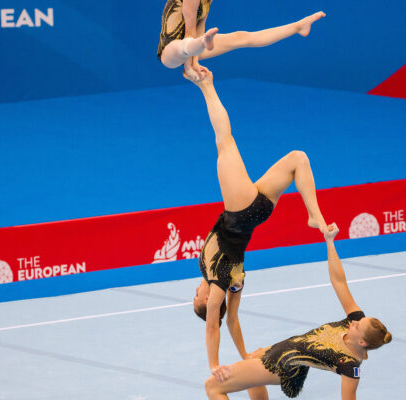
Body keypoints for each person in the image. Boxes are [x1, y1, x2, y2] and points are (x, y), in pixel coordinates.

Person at [189, 71, 330, 399]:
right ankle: (206, 84)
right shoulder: (219, 283)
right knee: (224, 139)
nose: (195, 292)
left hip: (255, 213)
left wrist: (245, 356)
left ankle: (314, 216)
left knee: (298, 158)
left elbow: (233, 320)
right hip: (240, 212)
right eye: (196, 297)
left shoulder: (230, 281)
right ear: (204, 300)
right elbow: (215, 324)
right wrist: (214, 364)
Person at [204, 223, 392, 399]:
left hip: (282, 366)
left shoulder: (349, 365)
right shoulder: (354, 320)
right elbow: (339, 282)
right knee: (251, 379)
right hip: (281, 351)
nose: (354, 321)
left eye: (358, 326)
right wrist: (330, 242)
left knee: (213, 386)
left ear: (361, 341)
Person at [157, 0, 326, 80]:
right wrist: (191, 67)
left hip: (196, 42)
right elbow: (190, 30)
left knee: (242, 37)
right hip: (170, 49)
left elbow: (201, 26)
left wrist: (197, 60)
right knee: (182, 47)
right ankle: (203, 43)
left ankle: (298, 27)